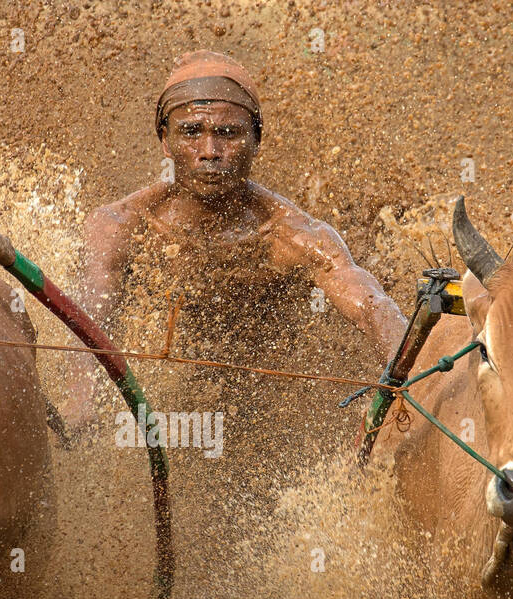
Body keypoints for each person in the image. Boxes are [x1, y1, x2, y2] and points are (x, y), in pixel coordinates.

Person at [59, 49, 409, 450]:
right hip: (160, 418)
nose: (210, 152)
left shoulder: (292, 235)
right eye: (191, 132)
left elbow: (372, 305)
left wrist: (412, 375)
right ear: (165, 141)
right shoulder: (120, 226)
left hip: (264, 412)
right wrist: (81, 396)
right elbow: (90, 309)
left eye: (228, 134)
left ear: (256, 141)